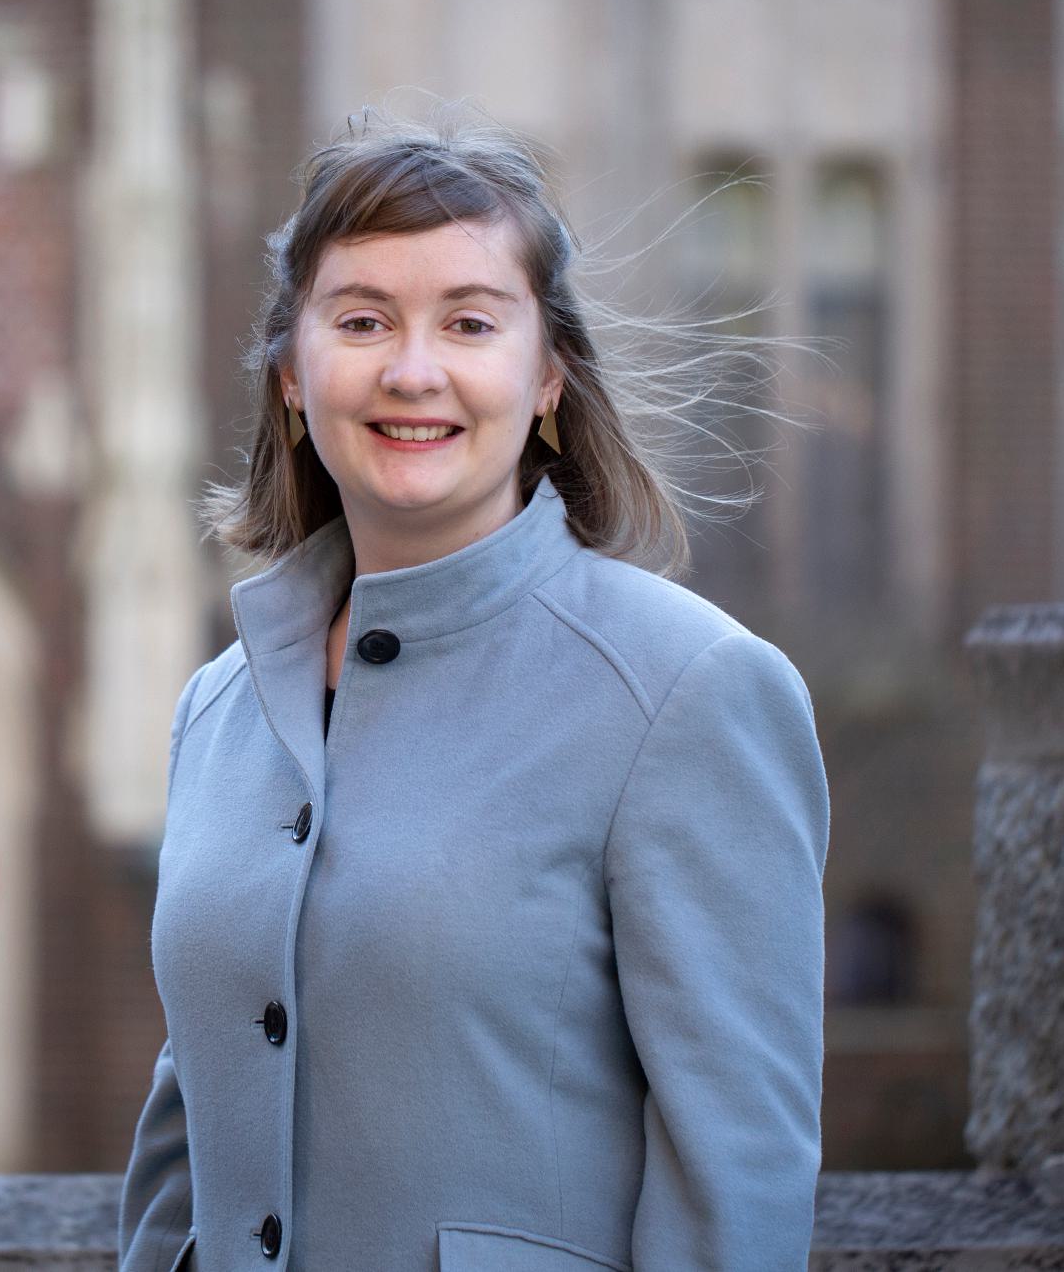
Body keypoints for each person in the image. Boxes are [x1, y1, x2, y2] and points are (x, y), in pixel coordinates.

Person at [116, 105, 832, 1272]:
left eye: (467, 321)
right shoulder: (219, 708)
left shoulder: (687, 693)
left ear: (545, 376)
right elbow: (192, 1117)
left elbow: (735, 1181)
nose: (411, 369)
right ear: (291, 375)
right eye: (360, 319)